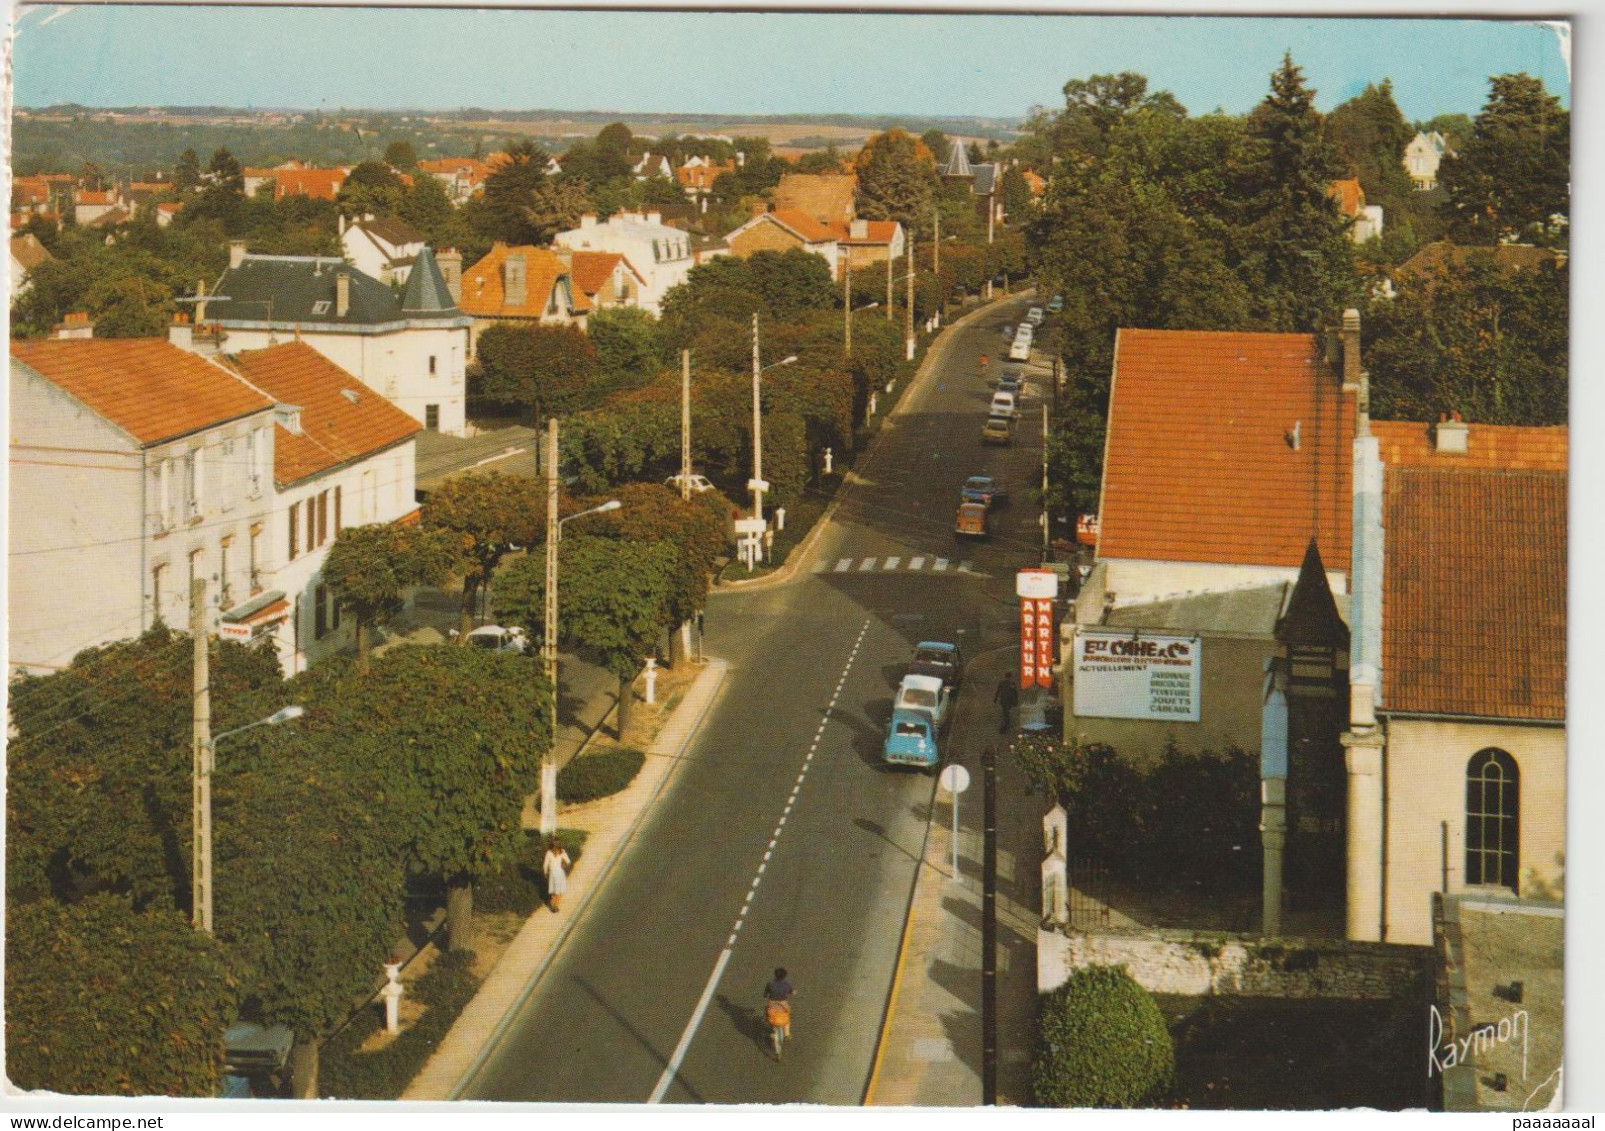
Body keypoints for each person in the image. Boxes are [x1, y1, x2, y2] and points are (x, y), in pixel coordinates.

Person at [764, 967, 794, 1039]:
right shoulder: (787, 984)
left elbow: (765, 994)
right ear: (784, 976)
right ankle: (787, 1034)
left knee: (767, 1012)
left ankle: (771, 1028)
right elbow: (792, 992)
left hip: (772, 1004)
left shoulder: (770, 984)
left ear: (775, 975)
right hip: (783, 1005)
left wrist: (765, 996)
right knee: (787, 1017)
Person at [543, 837, 572, 912]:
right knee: (558, 891)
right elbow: (568, 861)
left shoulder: (549, 853)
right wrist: (564, 866)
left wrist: (545, 873)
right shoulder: (561, 852)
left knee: (555, 890)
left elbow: (545, 865)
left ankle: (554, 905)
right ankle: (555, 905)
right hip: (558, 873)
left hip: (554, 873)